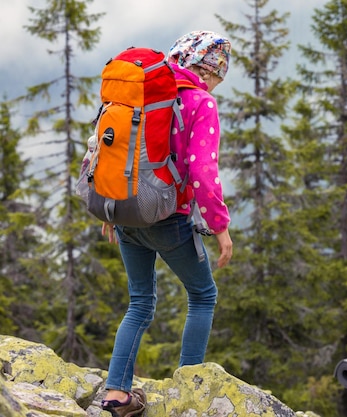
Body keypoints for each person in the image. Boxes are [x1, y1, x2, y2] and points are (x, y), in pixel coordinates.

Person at [100, 30, 233, 417]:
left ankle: (116, 393)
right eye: (218, 79)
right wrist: (220, 226)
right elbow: (202, 171)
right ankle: (188, 387)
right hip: (168, 217)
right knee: (203, 295)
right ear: (208, 71)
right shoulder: (200, 102)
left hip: (126, 211)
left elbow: (109, 149)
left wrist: (111, 207)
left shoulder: (140, 93)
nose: (216, 86)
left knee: (139, 303)